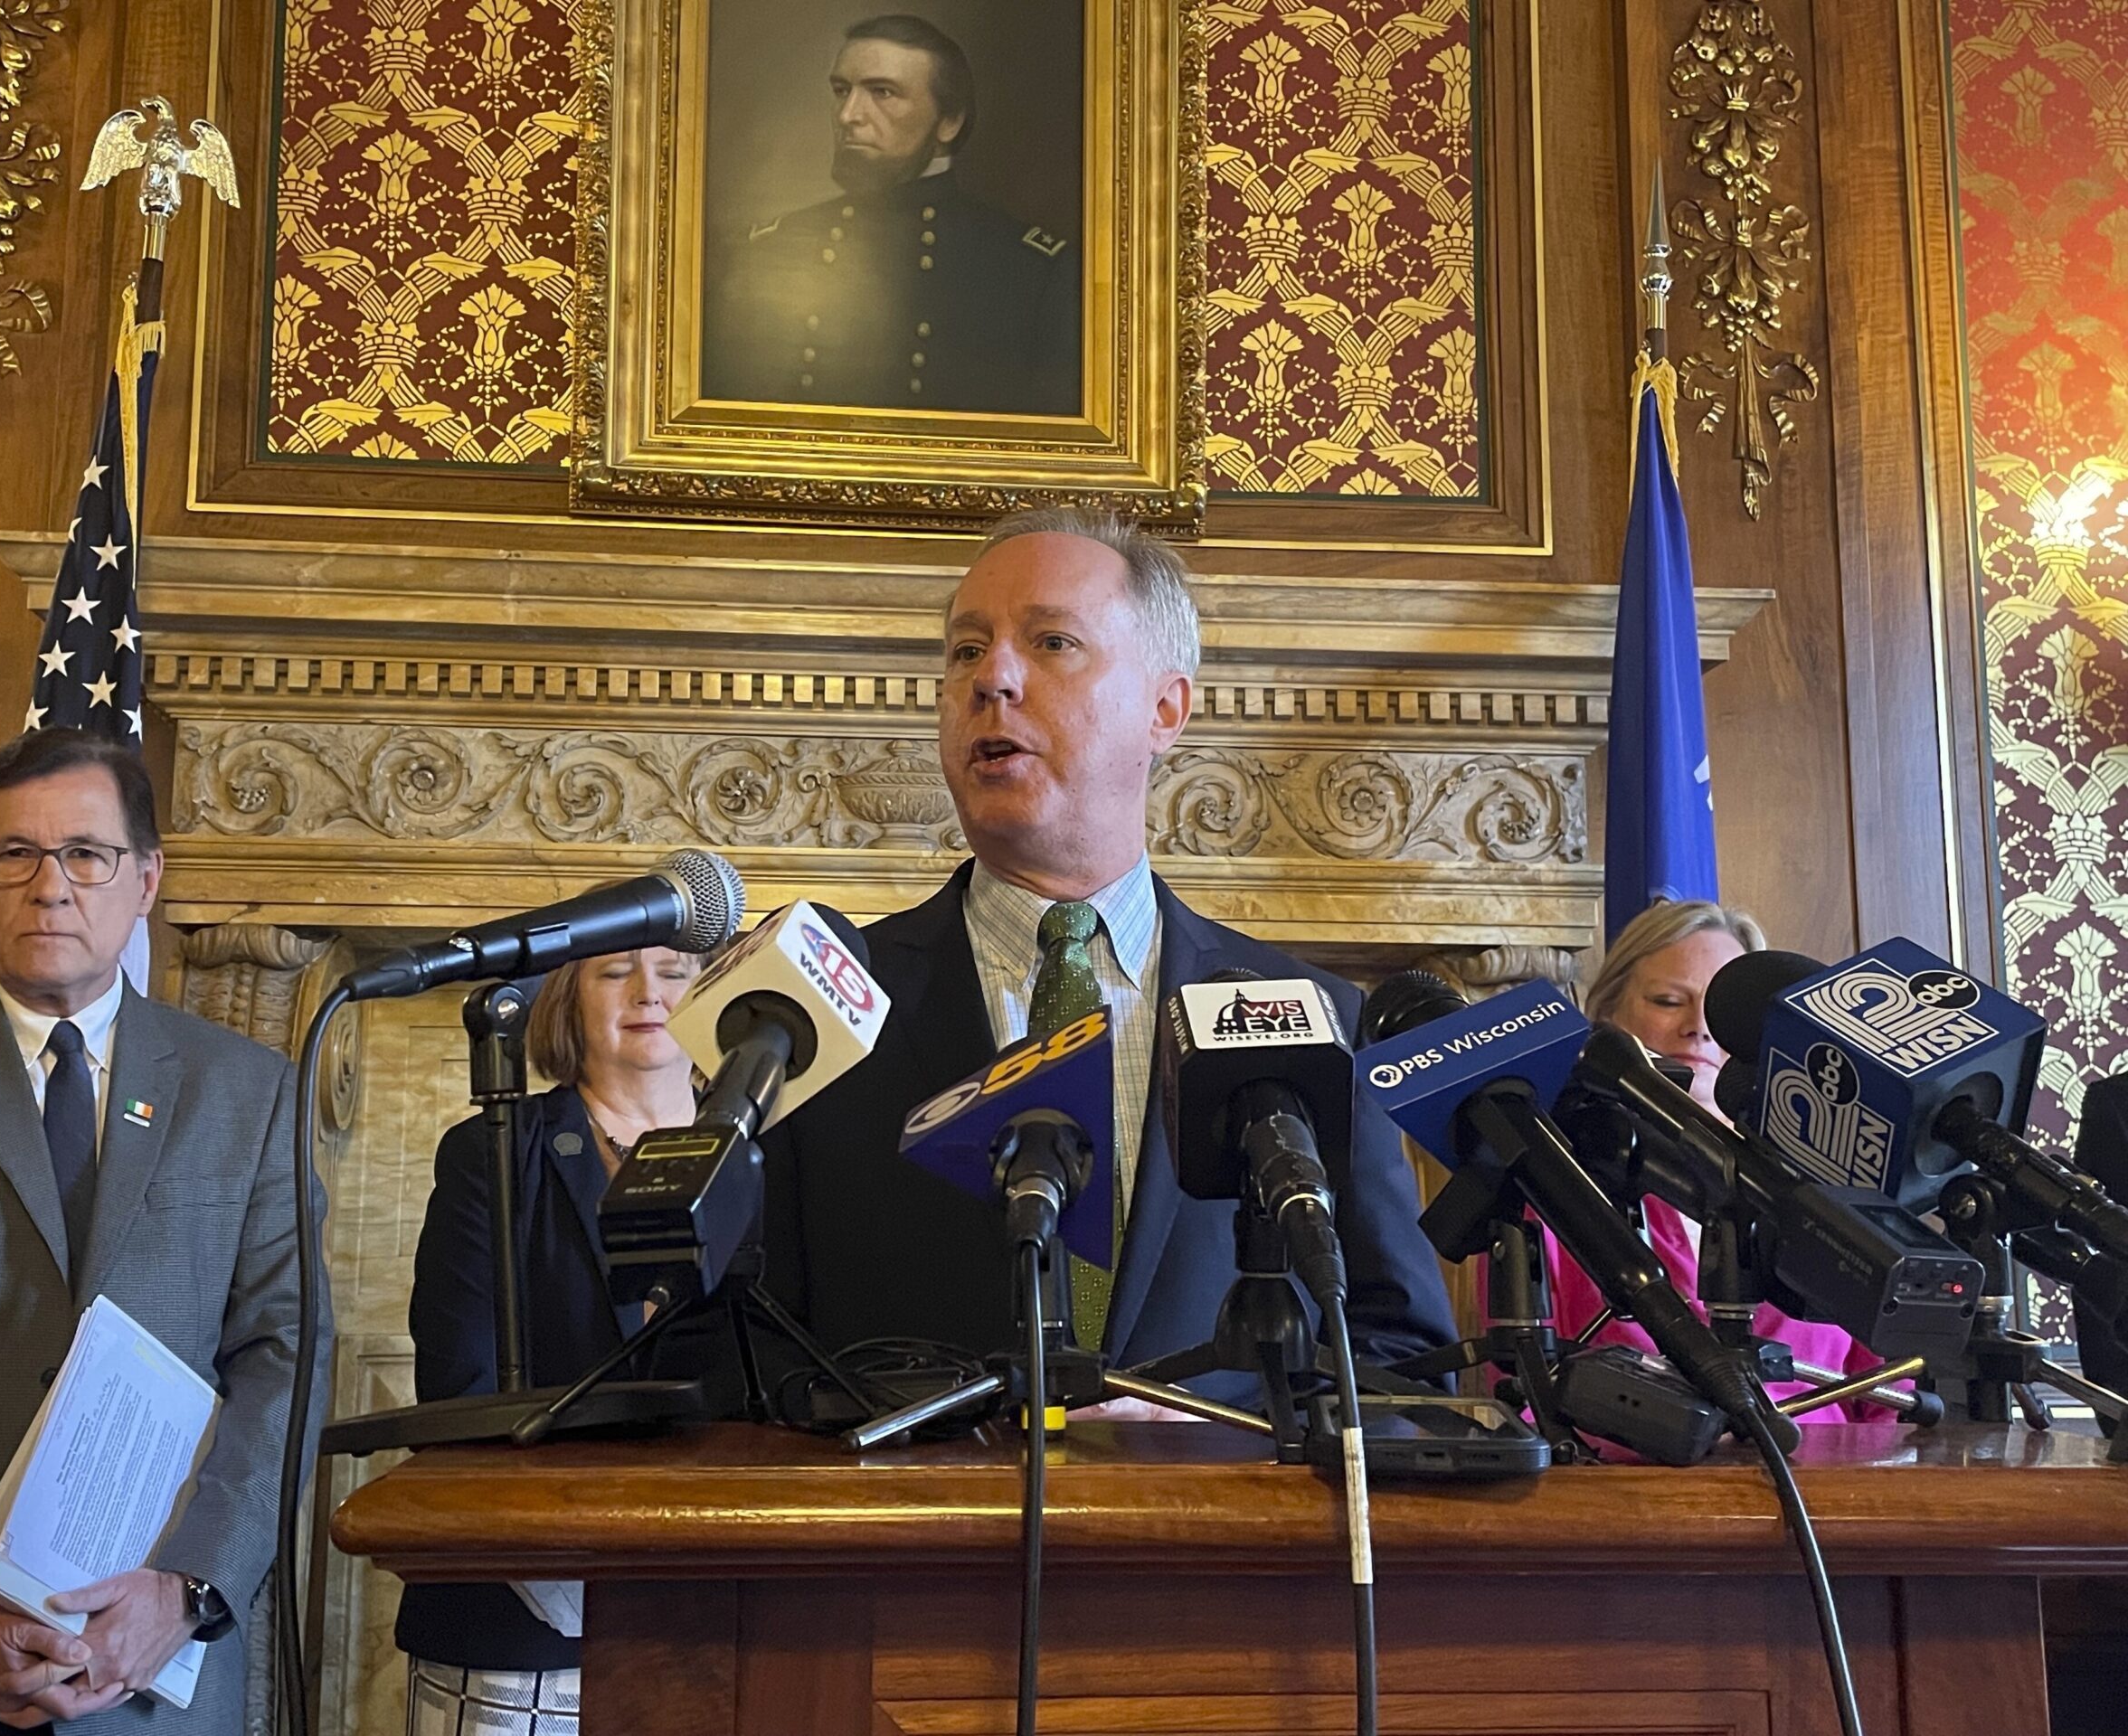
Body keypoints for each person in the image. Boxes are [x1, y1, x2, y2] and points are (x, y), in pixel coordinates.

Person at [763, 509, 1455, 1390]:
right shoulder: (818, 1008)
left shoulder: (1318, 1020)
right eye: (966, 650)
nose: (993, 678)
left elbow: (1407, 1360)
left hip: (1212, 1516)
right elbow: (755, 1352)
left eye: (1051, 642)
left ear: (1165, 708)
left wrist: (1230, 1443)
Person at [0, 729, 329, 1734]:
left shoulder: (250, 1092)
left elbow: (287, 1353)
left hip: (154, 1676)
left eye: (86, 855)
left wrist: (187, 1588)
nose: (50, 887)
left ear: (145, 880)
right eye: (13, 855)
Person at [397, 941, 707, 1736]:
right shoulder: (495, 1152)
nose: (649, 992)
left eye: (675, 973)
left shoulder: (776, 1154)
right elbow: (457, 1386)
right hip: (520, 1615)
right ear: (567, 1002)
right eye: (615, 972)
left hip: (723, 1607)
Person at [1545, 898, 1892, 1415]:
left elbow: (1892, 1399)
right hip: (1631, 1483)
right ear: (1608, 1015)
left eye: (1722, 1012)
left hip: (1833, 1479)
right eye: (1667, 1000)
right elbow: (1527, 1392)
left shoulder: (1832, 1183)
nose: (1699, 1027)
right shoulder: (1555, 1183)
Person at [701, 13, 1080, 416]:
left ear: (949, 122)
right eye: (841, 90)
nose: (848, 115)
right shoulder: (769, 248)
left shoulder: (1030, 270)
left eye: (882, 92)